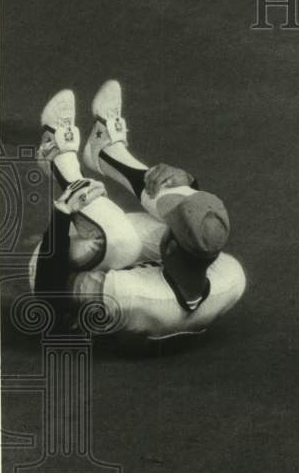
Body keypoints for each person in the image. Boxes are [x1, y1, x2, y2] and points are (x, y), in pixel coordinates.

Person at [30, 80, 246, 339]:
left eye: (171, 224)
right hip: (162, 263)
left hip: (53, 261)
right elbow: (201, 230)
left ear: (170, 246)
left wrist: (63, 213)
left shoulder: (127, 295)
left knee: (122, 243)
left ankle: (58, 160)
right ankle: (107, 152)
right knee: (188, 208)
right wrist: (188, 184)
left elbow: (49, 301)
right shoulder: (231, 277)